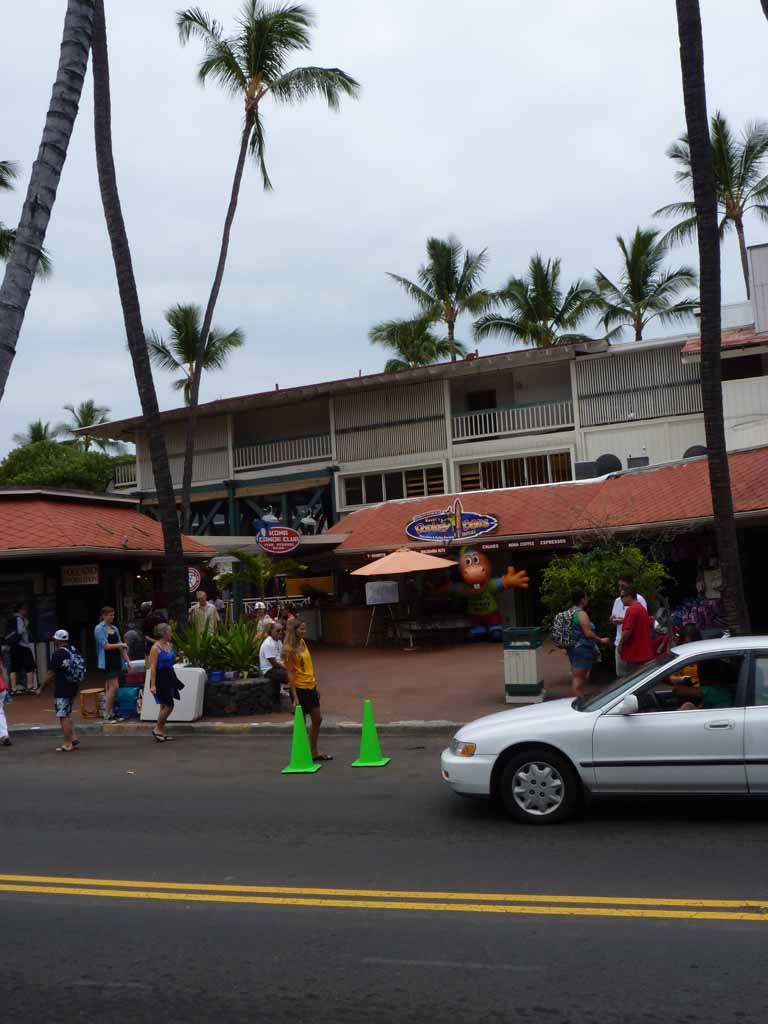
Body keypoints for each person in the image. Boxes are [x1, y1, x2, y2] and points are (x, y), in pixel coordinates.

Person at [283, 618, 332, 762]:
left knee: (317, 719)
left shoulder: (303, 643)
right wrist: (294, 697)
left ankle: (313, 751)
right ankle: (303, 754)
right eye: (301, 629)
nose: (304, 631)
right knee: (301, 724)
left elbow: (308, 666)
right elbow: (290, 673)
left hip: (310, 685)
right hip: (299, 688)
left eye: (305, 628)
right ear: (294, 631)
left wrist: (315, 685)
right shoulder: (289, 649)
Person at [37, 629, 81, 752]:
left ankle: (67, 743)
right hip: (73, 685)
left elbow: (50, 673)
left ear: (57, 640)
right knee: (67, 712)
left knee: (63, 715)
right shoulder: (73, 649)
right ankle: (73, 737)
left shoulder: (58, 654)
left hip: (62, 687)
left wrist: (41, 688)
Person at [567, 587, 610, 698]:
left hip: (573, 649)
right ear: (582, 600)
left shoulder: (570, 612)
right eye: (586, 597)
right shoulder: (581, 614)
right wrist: (601, 640)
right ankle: (578, 701)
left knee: (578, 676)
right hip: (582, 650)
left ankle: (580, 698)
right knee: (579, 678)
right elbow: (588, 633)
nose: (587, 599)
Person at [146, 622, 183, 742]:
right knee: (169, 705)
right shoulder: (155, 648)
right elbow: (153, 667)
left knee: (163, 705)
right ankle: (157, 729)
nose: (171, 634)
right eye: (169, 631)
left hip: (170, 676)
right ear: (163, 633)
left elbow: (171, 662)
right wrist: (152, 685)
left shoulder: (170, 645)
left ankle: (161, 731)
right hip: (160, 678)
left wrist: (180, 658)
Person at [94, 607, 131, 722]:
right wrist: (121, 645)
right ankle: (106, 714)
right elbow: (106, 645)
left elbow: (120, 645)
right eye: (110, 615)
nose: (112, 617)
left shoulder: (114, 628)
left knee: (112, 687)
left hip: (116, 660)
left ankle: (111, 712)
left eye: (113, 615)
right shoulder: (99, 628)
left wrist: (127, 661)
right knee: (114, 687)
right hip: (107, 661)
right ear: (104, 615)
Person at [610, 575, 647, 677]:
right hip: (622, 641)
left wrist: (621, 644)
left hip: (630, 644)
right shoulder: (621, 602)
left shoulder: (633, 608)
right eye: (619, 586)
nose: (620, 588)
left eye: (623, 585)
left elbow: (628, 629)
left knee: (628, 676)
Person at [617, 588, 655, 673]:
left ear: (629, 597)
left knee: (631, 680)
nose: (621, 599)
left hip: (634, 654)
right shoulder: (642, 608)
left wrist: (620, 644)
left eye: (622, 596)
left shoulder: (631, 610)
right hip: (644, 652)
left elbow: (627, 631)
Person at [9, 603, 37, 694]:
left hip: (13, 645)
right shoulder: (19, 618)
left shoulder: (11, 619)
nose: (25, 611)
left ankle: (13, 689)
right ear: (20, 610)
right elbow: (21, 631)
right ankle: (30, 687)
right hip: (22, 645)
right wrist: (26, 624)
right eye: (24, 609)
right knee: (30, 665)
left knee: (14, 666)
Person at [259, 620, 287, 710]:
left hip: (277, 668)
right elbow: (274, 663)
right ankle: (296, 703)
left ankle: (277, 704)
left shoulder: (278, 641)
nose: (281, 632)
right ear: (271, 631)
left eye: (282, 630)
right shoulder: (268, 643)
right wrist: (287, 668)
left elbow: (282, 657)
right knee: (291, 677)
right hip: (268, 670)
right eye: (278, 631)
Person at [0, 657, 10, 747]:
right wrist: (6, 686)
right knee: (0, 712)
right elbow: (2, 671)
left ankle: (3, 735)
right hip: (1, 687)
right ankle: (4, 734)